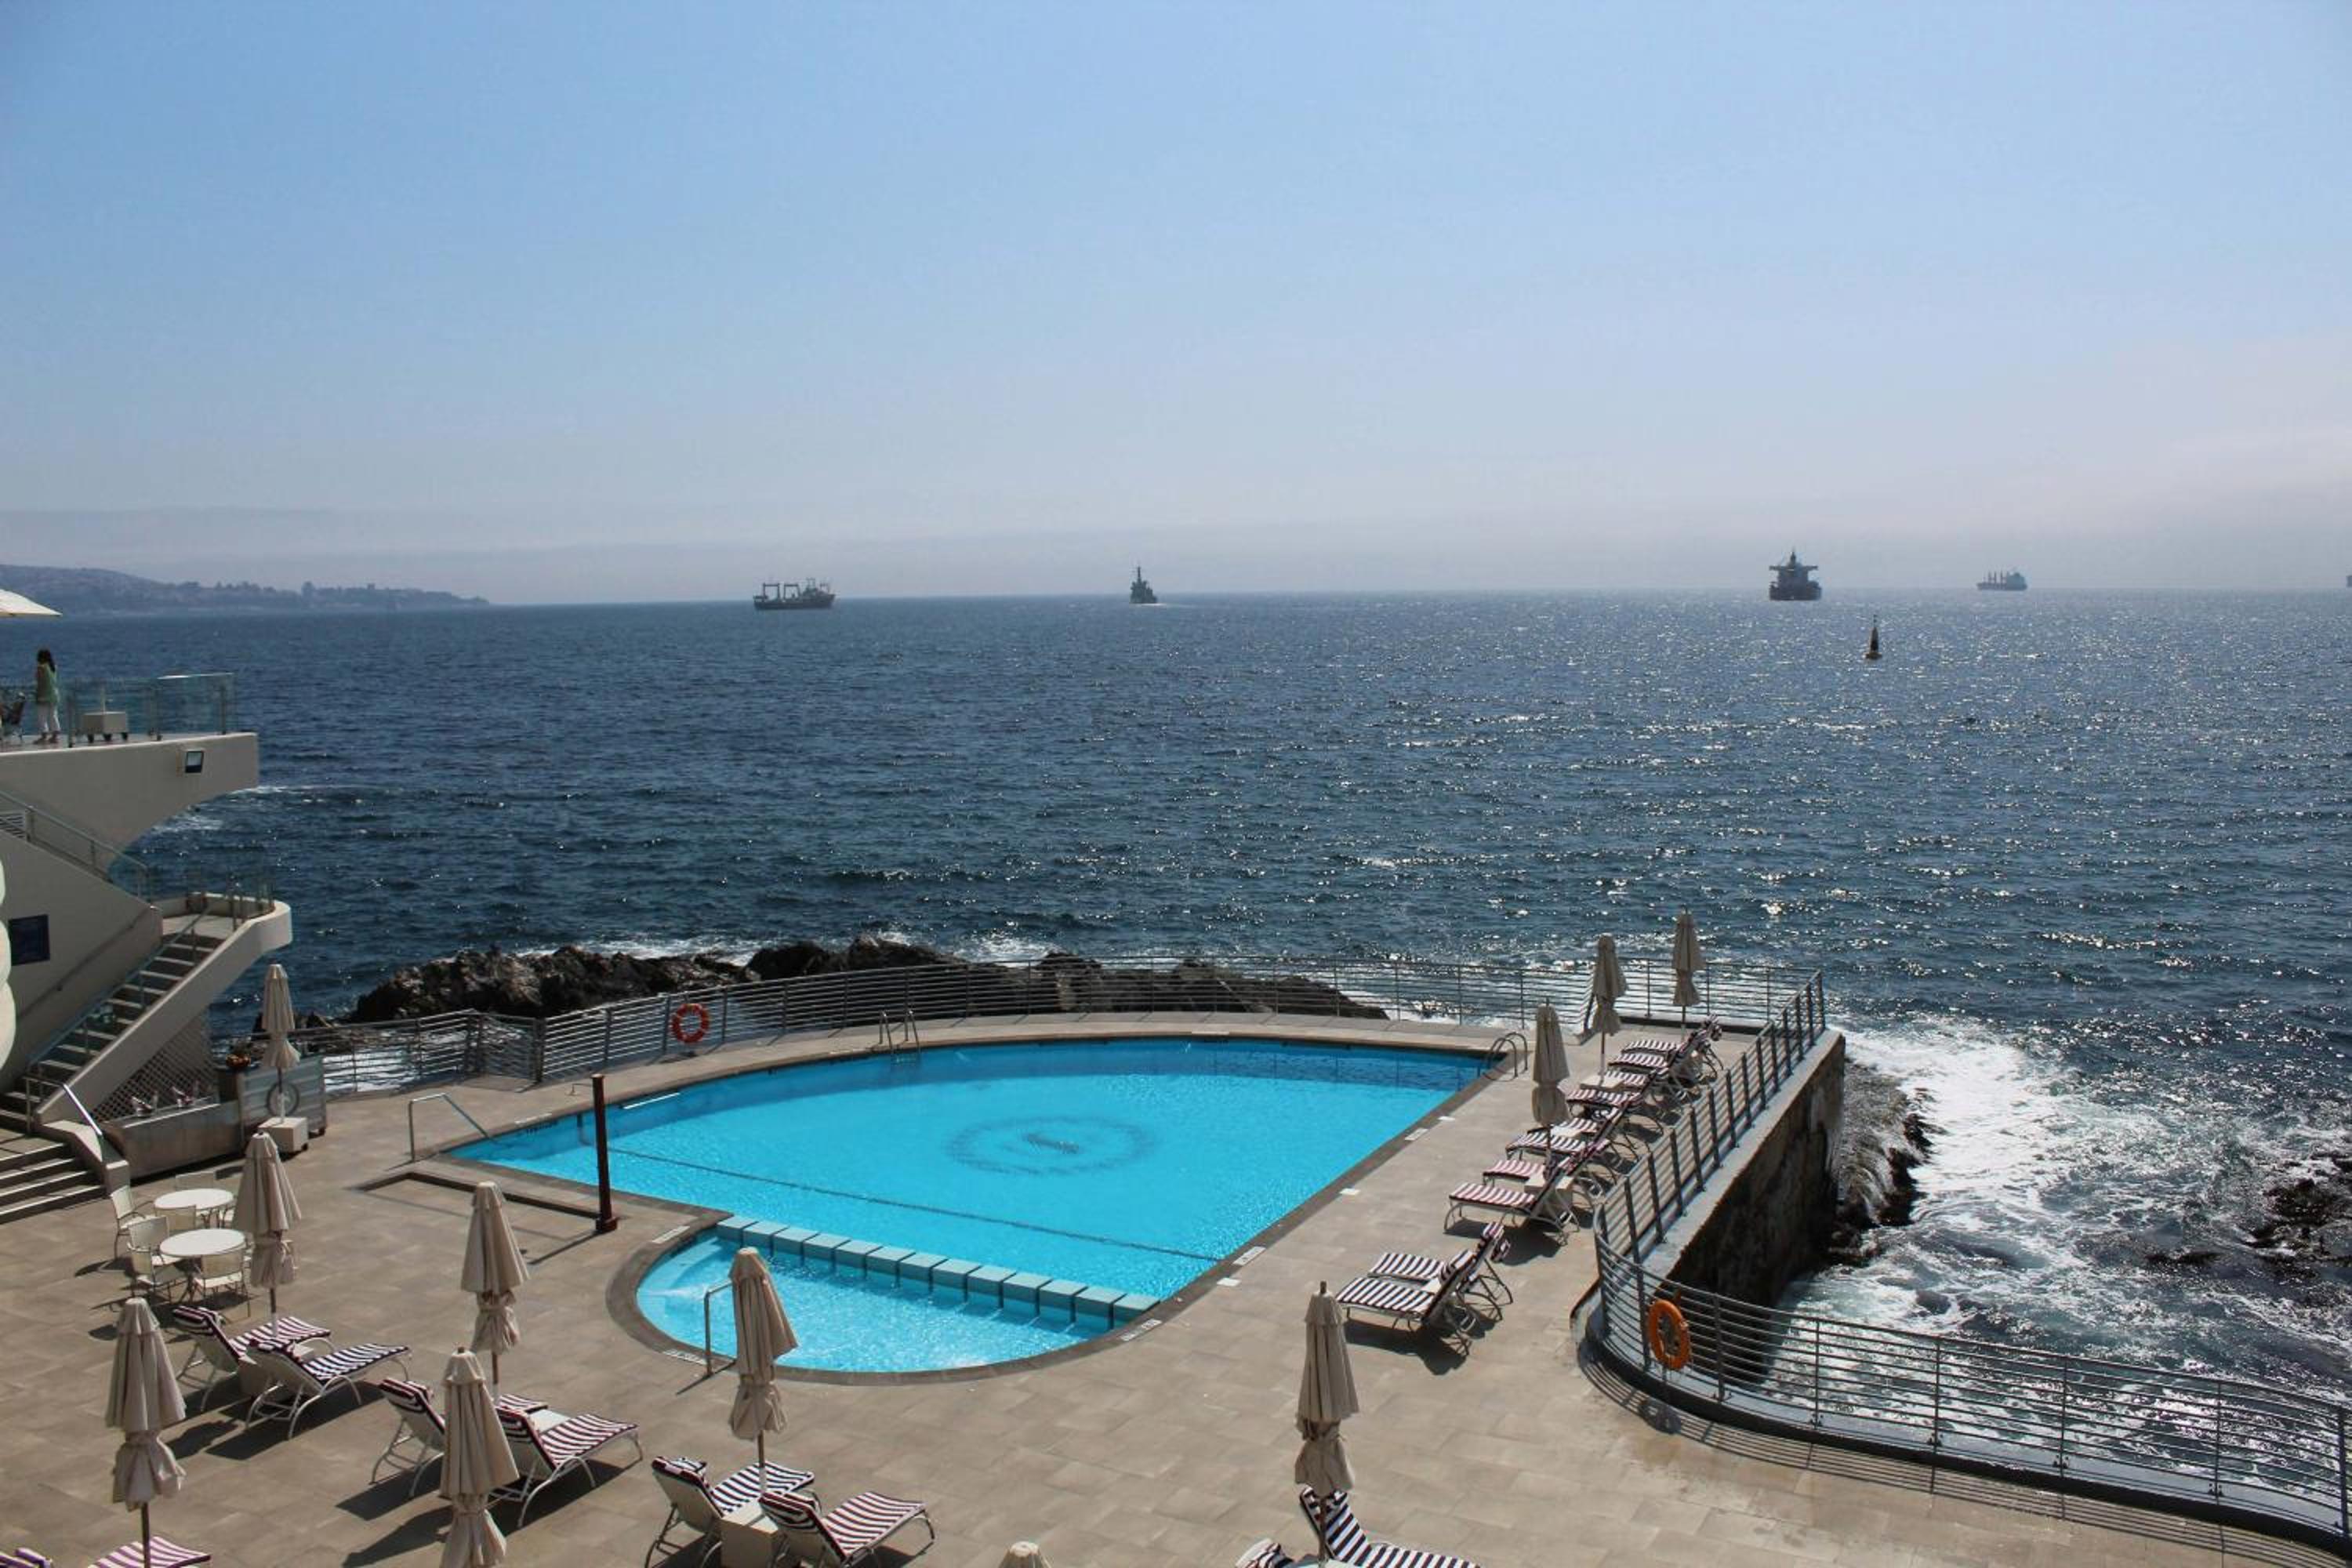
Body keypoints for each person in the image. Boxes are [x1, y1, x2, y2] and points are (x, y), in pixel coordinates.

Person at [31, 648, 58, 745]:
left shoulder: (41, 668)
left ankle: (44, 737)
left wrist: (37, 695)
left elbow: (40, 683)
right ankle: (55, 736)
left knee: (42, 716)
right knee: (53, 715)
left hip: (44, 694)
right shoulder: (53, 667)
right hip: (54, 694)